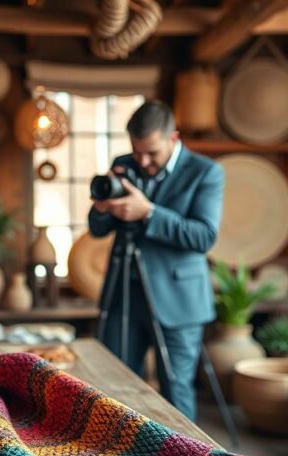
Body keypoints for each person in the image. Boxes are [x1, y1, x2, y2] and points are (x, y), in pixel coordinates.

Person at [88, 100, 224, 421]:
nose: (143, 161)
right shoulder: (124, 165)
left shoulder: (206, 172)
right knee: (117, 390)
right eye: (137, 152)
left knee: (176, 392)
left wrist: (148, 213)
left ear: (173, 138)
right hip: (124, 294)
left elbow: (204, 236)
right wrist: (103, 208)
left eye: (152, 153)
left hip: (178, 300)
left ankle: (183, 455)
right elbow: (97, 229)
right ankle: (124, 453)